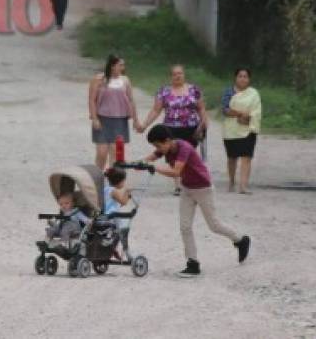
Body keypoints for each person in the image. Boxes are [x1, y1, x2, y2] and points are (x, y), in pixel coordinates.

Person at [142, 124, 251, 277]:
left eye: (158, 145)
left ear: (167, 140)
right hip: (187, 189)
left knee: (214, 225)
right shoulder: (166, 148)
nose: (157, 149)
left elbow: (176, 172)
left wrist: (154, 168)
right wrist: (138, 163)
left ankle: (240, 240)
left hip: (203, 189)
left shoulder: (183, 148)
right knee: (185, 226)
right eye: (155, 146)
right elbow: (151, 157)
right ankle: (192, 263)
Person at [138, 64, 207, 195]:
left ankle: (188, 180)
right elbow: (156, 110)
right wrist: (145, 124)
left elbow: (201, 108)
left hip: (191, 127)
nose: (177, 76)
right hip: (171, 128)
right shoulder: (164, 91)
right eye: (174, 74)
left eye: (180, 73)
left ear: (184, 74)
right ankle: (178, 185)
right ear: (171, 76)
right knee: (172, 156)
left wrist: (203, 124)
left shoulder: (194, 90)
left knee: (187, 155)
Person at [89, 55, 139, 169]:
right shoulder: (98, 79)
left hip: (120, 121)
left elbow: (131, 100)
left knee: (117, 154)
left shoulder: (125, 80)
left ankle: (114, 182)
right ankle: (98, 179)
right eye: (120, 65)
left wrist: (136, 120)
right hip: (102, 119)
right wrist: (94, 118)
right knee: (102, 153)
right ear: (112, 66)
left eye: (123, 65)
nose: (123, 67)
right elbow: (91, 100)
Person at [221, 67, 262, 194]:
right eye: (240, 76)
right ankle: (232, 182)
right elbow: (226, 110)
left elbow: (257, 111)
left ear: (249, 79)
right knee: (232, 157)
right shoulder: (229, 92)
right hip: (231, 130)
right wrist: (240, 114)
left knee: (247, 157)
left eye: (245, 76)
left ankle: (243, 185)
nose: (243, 79)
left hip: (248, 128)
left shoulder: (253, 94)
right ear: (235, 78)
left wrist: (249, 117)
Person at [103, 166, 132, 252]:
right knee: (123, 229)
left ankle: (112, 245)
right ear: (120, 182)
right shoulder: (114, 191)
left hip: (104, 214)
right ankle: (116, 247)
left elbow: (114, 203)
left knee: (117, 231)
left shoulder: (105, 189)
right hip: (112, 216)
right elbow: (124, 202)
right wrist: (127, 192)